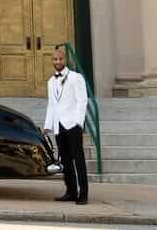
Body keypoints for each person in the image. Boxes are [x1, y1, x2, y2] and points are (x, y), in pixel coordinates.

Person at [42, 47, 89, 205]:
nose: (58, 62)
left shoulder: (76, 78)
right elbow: (51, 104)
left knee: (78, 159)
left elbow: (82, 101)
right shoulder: (51, 81)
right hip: (58, 126)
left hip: (72, 124)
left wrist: (79, 123)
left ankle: (83, 194)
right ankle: (71, 191)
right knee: (66, 161)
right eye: (55, 60)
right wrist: (48, 125)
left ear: (65, 60)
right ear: (52, 61)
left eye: (60, 59)